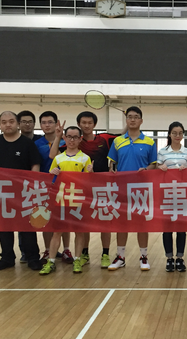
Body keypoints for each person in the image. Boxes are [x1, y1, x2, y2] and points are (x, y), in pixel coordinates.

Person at [0, 111, 43, 271]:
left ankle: (33, 258)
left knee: (27, 227)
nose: (8, 125)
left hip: (24, 193)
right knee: (4, 227)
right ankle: (7, 258)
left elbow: (35, 165)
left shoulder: (27, 144)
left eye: (11, 121)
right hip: (1, 193)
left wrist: (32, 185)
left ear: (17, 124)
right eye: (4, 122)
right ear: (0, 125)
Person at [107, 106, 157, 271]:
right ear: (126, 120)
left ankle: (143, 256)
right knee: (122, 224)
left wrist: (146, 169)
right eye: (130, 117)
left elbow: (153, 165)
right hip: (121, 189)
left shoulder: (149, 142)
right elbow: (112, 163)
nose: (133, 119)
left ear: (141, 120)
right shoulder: (117, 141)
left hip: (141, 190)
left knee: (141, 224)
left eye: (136, 117)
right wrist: (112, 168)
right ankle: (120, 257)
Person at [40, 126, 93, 275]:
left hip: (78, 200)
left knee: (79, 232)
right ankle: (51, 261)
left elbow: (89, 182)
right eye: (69, 136)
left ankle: (77, 259)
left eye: (75, 137)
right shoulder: (58, 158)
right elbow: (51, 178)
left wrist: (91, 173)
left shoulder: (85, 158)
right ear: (64, 138)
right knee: (57, 232)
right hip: (61, 200)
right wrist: (53, 172)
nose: (72, 140)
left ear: (80, 139)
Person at [77, 111, 117, 268]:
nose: (86, 125)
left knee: (105, 222)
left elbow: (122, 137)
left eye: (89, 123)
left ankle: (105, 254)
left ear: (94, 124)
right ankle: (84, 253)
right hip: (83, 188)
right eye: (83, 122)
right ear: (79, 124)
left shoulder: (104, 138)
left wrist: (113, 165)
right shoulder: (75, 141)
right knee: (84, 223)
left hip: (103, 187)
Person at [157, 121, 187, 272]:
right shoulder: (162, 152)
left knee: (181, 228)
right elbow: (157, 171)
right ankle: (169, 258)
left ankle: (179, 258)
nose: (177, 136)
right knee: (167, 228)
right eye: (174, 133)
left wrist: (186, 170)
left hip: (182, 194)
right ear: (169, 134)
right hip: (166, 194)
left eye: (180, 133)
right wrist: (161, 168)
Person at [36, 111, 71, 263]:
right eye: (44, 122)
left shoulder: (66, 141)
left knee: (64, 219)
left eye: (50, 122)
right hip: (44, 187)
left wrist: (59, 136)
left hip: (64, 186)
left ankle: (67, 249)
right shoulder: (37, 144)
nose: (47, 125)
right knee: (46, 219)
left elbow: (55, 155)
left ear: (56, 123)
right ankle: (48, 250)